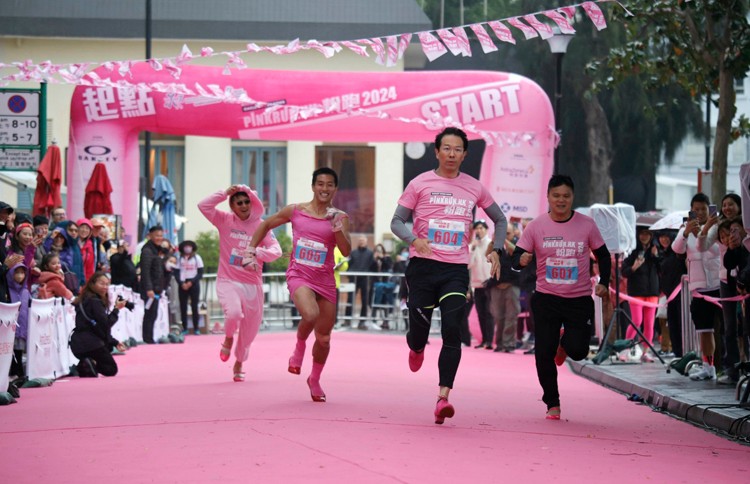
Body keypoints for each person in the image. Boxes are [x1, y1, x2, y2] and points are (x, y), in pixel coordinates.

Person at [390, 127, 506, 424]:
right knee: (419, 333)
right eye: (447, 148)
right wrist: (414, 240)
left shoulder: (474, 187)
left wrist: (497, 249)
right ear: (437, 151)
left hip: (455, 270)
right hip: (423, 267)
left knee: (452, 328)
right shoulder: (419, 183)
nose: (452, 154)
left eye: (458, 149)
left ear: (465, 154)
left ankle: (443, 397)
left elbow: (500, 219)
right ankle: (416, 346)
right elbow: (397, 221)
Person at [512, 175, 611, 420]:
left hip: (578, 299)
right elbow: (516, 258)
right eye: (556, 195)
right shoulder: (536, 226)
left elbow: (603, 255)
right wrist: (520, 260)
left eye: (566, 196)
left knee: (578, 351)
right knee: (543, 353)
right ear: (548, 197)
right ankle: (552, 402)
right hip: (546, 299)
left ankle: (564, 344)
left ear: (572, 197)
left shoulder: (586, 225)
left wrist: (604, 283)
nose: (561, 200)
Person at [248, 167, 351, 402]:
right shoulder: (296, 211)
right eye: (320, 184)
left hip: (325, 280)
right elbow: (266, 224)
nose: (324, 189)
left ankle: (314, 379)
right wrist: (250, 249)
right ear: (313, 186)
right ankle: (300, 346)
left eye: (330, 185)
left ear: (335, 189)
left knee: (324, 339)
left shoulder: (340, 216)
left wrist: (336, 227)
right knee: (310, 314)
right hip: (299, 275)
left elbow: (346, 251)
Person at [199, 185, 281, 382]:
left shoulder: (262, 226)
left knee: (249, 331)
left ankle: (239, 362)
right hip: (228, 280)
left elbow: (277, 251)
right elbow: (203, 206)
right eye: (239, 203)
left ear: (252, 203)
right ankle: (228, 338)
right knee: (234, 313)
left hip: (252, 284)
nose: (244, 206)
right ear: (232, 206)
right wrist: (225, 193)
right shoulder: (224, 220)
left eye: (246, 202)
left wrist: (257, 252)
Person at [672, 193, 722, 381]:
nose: (700, 212)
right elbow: (677, 249)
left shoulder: (717, 227)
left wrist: (703, 232)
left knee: (727, 328)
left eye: (703, 209)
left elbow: (715, 249)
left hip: (718, 284)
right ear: (691, 210)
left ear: (709, 209)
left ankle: (728, 365)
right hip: (699, 286)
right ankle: (708, 366)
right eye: (696, 209)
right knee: (704, 329)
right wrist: (686, 233)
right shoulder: (685, 228)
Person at [69, 272, 128, 377]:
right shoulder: (95, 302)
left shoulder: (82, 299)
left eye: (107, 284)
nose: (105, 287)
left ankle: (86, 363)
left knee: (100, 365)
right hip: (92, 344)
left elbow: (98, 327)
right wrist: (116, 309)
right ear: (92, 284)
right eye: (101, 283)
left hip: (76, 344)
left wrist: (114, 342)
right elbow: (106, 324)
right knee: (111, 369)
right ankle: (85, 364)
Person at [620, 226, 661, 362]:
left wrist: (656, 256)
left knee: (649, 324)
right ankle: (625, 350)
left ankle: (646, 352)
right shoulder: (632, 252)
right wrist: (634, 267)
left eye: (647, 234)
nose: (644, 236)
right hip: (636, 292)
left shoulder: (655, 250)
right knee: (637, 321)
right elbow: (624, 272)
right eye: (642, 233)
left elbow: (662, 269)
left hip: (652, 292)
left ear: (651, 235)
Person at [490, 223, 521, 353]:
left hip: (512, 285)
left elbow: (515, 252)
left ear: (514, 234)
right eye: (503, 233)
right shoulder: (495, 244)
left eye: (507, 233)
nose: (505, 236)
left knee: (511, 315)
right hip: (496, 285)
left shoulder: (519, 244)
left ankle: (508, 344)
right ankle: (499, 343)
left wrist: (504, 240)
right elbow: (487, 256)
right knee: (498, 316)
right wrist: (494, 242)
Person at [655, 229, 686, 358]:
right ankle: (678, 353)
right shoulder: (663, 253)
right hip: (669, 295)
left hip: (681, 293)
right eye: (661, 237)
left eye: (666, 236)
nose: (663, 239)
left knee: (680, 323)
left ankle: (683, 352)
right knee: (672, 324)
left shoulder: (678, 252)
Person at [467, 220, 494, 349]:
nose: (479, 230)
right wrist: (472, 248)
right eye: (477, 228)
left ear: (486, 230)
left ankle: (489, 341)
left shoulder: (491, 243)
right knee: (481, 314)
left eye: (481, 228)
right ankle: (484, 340)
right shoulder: (473, 245)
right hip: (477, 284)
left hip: (489, 283)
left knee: (489, 313)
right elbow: (468, 264)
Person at [139, 225, 166, 344]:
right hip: (150, 289)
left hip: (157, 288)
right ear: (150, 236)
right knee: (149, 314)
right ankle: (147, 338)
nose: (159, 238)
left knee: (153, 313)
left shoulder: (157, 250)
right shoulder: (147, 251)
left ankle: (149, 337)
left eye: (161, 235)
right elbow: (145, 271)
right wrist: (149, 288)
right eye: (157, 235)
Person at [344, 235, 374, 329]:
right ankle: (347, 319)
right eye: (360, 240)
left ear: (366, 241)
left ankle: (362, 321)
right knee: (350, 299)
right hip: (353, 278)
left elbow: (372, 266)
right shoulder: (353, 252)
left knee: (365, 300)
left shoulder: (370, 253)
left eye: (363, 240)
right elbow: (349, 264)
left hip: (365, 278)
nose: (361, 242)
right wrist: (349, 274)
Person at [176, 240, 205, 335]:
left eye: (189, 246)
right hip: (182, 284)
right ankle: (185, 328)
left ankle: (196, 328)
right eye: (185, 247)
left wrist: (191, 282)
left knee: (194, 306)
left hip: (194, 283)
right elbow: (176, 273)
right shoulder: (179, 258)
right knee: (183, 306)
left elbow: (200, 273)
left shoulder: (197, 258)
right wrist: (181, 283)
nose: (187, 248)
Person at [7, 263, 30, 380]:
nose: (20, 276)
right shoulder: (8, 291)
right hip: (10, 327)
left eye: (22, 273)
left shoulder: (26, 292)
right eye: (17, 272)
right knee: (10, 351)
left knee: (19, 351)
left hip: (22, 327)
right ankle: (13, 372)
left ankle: (19, 373)